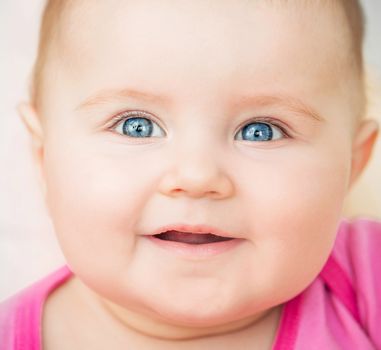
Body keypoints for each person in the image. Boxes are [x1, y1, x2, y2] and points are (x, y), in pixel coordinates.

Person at [1, 0, 380, 349]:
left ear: (353, 164)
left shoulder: (367, 276)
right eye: (137, 126)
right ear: (44, 157)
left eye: (261, 130)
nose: (198, 176)